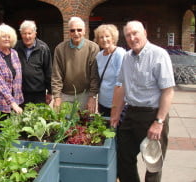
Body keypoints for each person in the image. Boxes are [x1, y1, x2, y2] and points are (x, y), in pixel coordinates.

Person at [110, 20, 175, 182]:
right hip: (131, 114)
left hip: (153, 114)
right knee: (124, 158)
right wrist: (116, 114)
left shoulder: (159, 54)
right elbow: (122, 87)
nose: (132, 38)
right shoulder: (126, 57)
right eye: (128, 35)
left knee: (153, 165)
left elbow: (168, 91)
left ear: (145, 33)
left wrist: (159, 122)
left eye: (135, 33)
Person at [52, 16, 99, 113]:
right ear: (69, 32)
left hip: (85, 94)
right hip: (65, 95)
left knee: (85, 125)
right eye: (72, 30)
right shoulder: (60, 49)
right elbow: (56, 75)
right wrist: (57, 97)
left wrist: (92, 96)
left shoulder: (93, 48)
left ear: (85, 31)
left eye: (79, 30)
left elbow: (95, 75)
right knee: (65, 125)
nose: (76, 33)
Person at [14, 20, 52, 107]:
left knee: (39, 118)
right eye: (24, 33)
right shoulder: (16, 47)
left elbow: (48, 71)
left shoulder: (43, 48)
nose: (27, 36)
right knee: (22, 119)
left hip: (38, 93)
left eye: (29, 33)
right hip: (20, 92)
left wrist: (50, 92)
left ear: (35, 33)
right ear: (21, 34)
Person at [94, 24, 126, 117]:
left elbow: (120, 83)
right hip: (102, 103)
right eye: (101, 37)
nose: (104, 39)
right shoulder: (99, 56)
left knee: (116, 130)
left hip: (116, 104)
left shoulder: (119, 54)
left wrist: (116, 106)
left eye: (107, 36)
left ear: (113, 38)